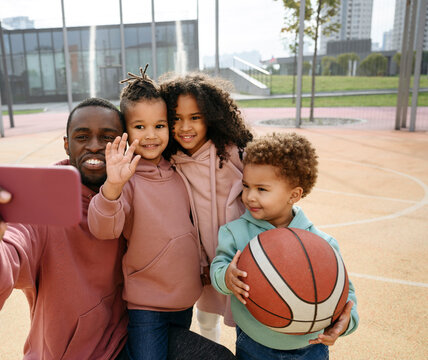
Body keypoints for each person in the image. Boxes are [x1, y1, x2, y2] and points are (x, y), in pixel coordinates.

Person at [0, 97, 235, 360]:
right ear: (66, 143)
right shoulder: (44, 202)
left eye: (107, 137)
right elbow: (9, 249)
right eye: (82, 136)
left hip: (132, 333)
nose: (94, 145)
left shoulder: (138, 183)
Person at [210, 132, 359, 360]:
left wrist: (345, 323)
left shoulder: (321, 245)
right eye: (246, 186)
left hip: (311, 347)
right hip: (254, 343)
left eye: (262, 189)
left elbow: (345, 293)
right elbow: (218, 268)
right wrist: (226, 277)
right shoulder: (235, 232)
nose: (249, 196)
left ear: (294, 194)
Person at [87, 66, 203, 360]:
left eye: (159, 125)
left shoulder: (179, 169)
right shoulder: (127, 178)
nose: (151, 135)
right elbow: (103, 229)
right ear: (126, 130)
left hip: (184, 300)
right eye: (140, 127)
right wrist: (113, 185)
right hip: (146, 306)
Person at [159, 72, 253, 342]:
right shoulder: (170, 161)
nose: (185, 127)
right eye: (176, 119)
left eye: (195, 118)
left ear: (211, 116)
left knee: (249, 320)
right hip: (201, 262)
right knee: (205, 317)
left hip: (242, 259)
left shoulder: (235, 154)